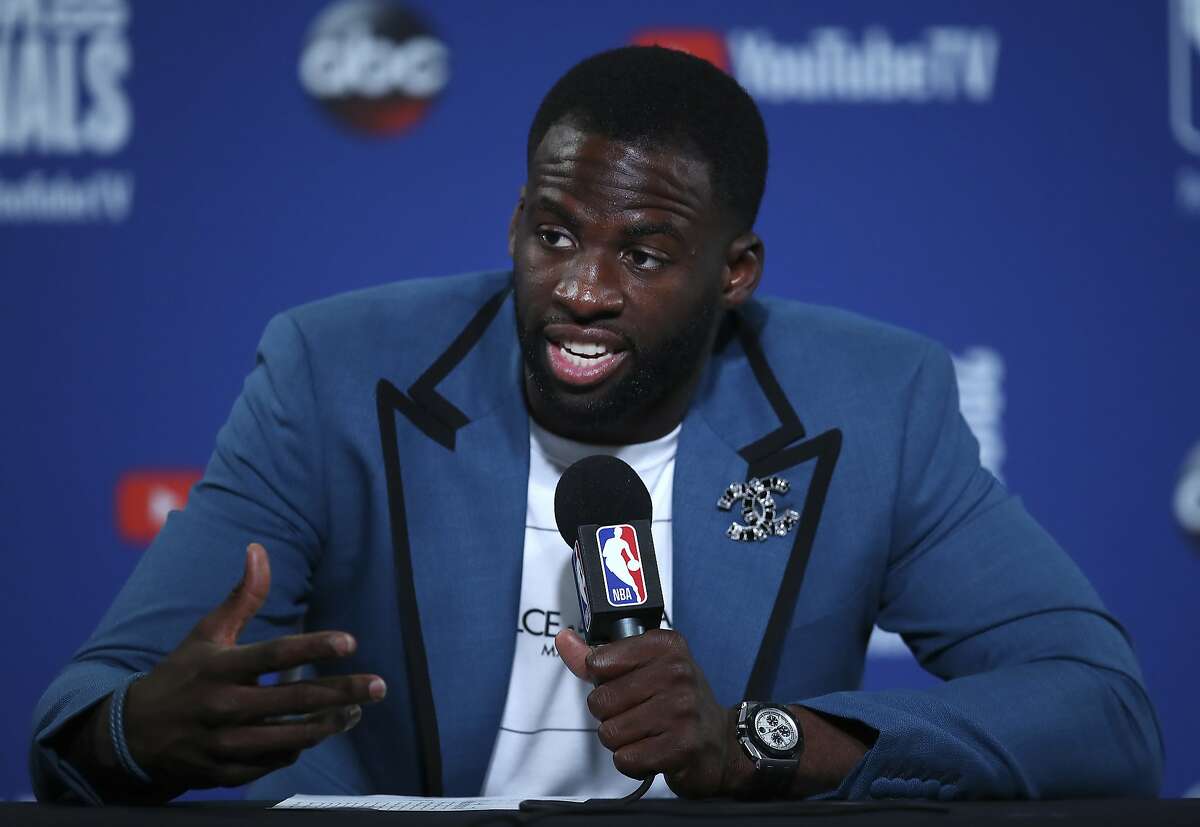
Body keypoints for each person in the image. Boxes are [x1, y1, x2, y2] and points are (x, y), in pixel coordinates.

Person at [31, 46, 1162, 805]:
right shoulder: (334, 373)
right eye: (556, 233)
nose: (581, 287)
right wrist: (139, 732)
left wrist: (759, 739)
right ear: (516, 221)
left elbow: (1101, 709)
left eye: (645, 253)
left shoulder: (876, 400)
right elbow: (76, 723)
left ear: (737, 271)